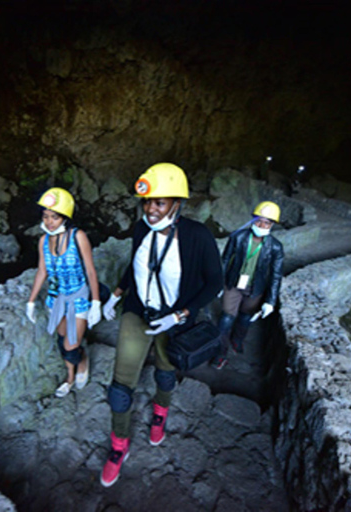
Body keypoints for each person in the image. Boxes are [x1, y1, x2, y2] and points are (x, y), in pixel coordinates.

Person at [99, 163, 222, 487]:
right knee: (120, 389)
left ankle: (160, 413)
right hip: (138, 312)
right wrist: (116, 294)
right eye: (147, 202)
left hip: (174, 319)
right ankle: (118, 445)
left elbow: (215, 284)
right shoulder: (142, 228)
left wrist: (181, 314)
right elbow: (136, 264)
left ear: (177, 204)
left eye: (160, 202)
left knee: (165, 373)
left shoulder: (198, 236)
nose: (151, 209)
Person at [26, 187, 102, 398]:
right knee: (62, 339)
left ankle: (82, 359)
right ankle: (70, 375)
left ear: (65, 217)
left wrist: (95, 302)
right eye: (46, 216)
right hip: (55, 298)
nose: (49, 222)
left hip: (77, 297)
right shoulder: (43, 241)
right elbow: (42, 271)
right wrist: (31, 302)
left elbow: (90, 271)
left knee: (71, 344)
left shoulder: (78, 237)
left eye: (55, 217)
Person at [211, 201, 284, 370]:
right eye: (259, 220)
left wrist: (270, 301)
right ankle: (220, 354)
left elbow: (275, 275)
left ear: (272, 225)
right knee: (226, 318)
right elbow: (225, 260)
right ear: (253, 219)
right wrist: (218, 283)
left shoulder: (275, 247)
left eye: (267, 222)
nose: (262, 225)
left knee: (245, 317)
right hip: (234, 284)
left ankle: (237, 340)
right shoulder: (239, 237)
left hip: (255, 288)